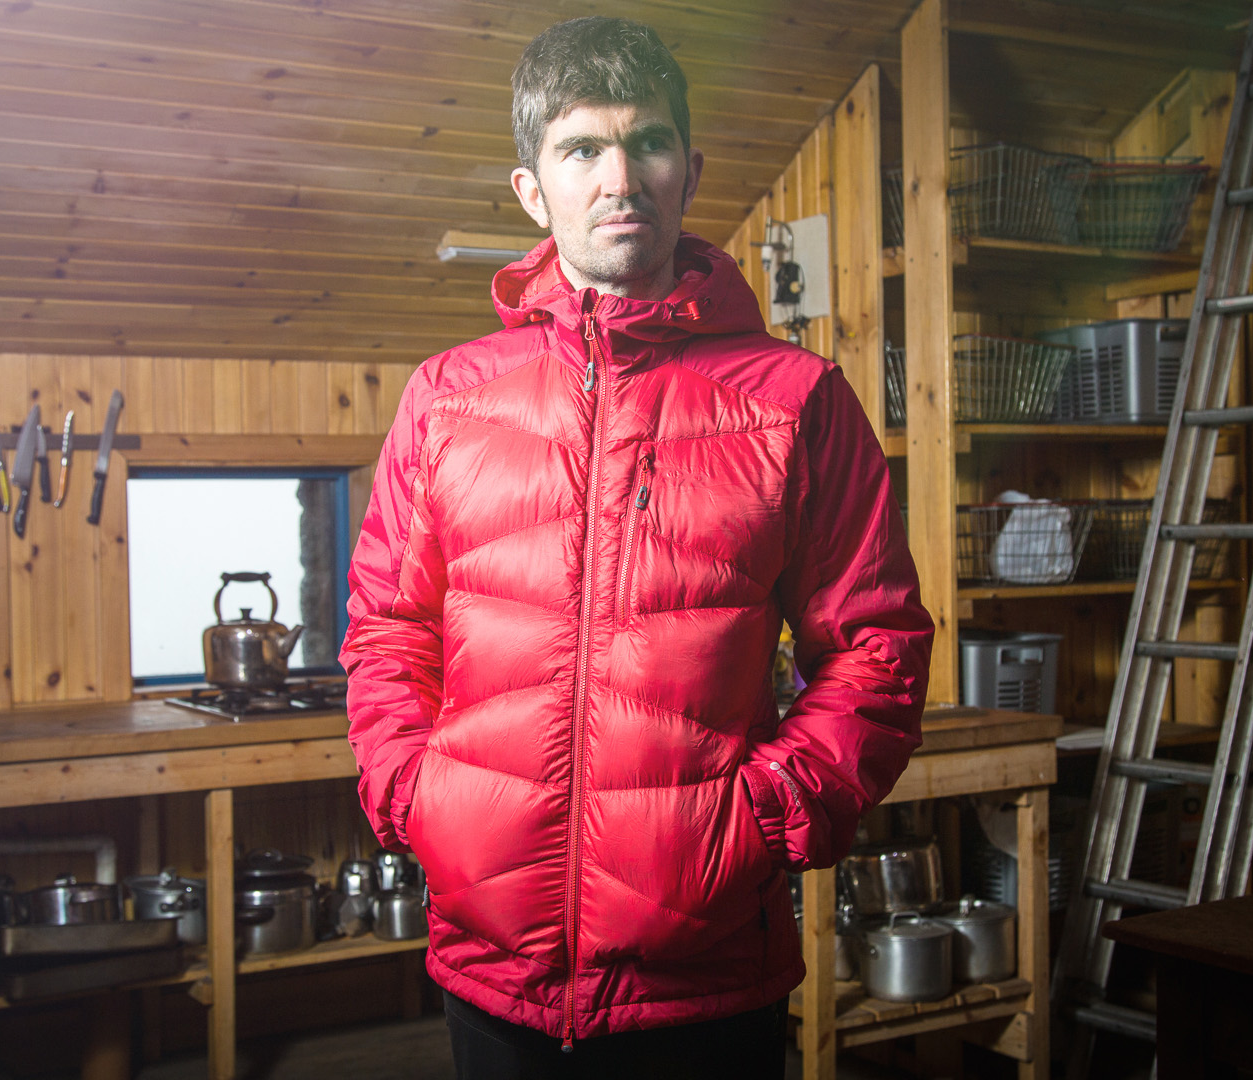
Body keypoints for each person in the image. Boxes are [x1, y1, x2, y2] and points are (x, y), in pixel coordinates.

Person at [342, 16, 933, 1078]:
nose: (620, 178)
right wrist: (409, 791)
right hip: (493, 965)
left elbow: (878, 650)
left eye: (646, 143)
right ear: (535, 190)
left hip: (705, 973)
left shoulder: (798, 404)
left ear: (689, 170)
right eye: (581, 150)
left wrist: (762, 818)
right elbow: (389, 632)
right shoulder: (446, 400)